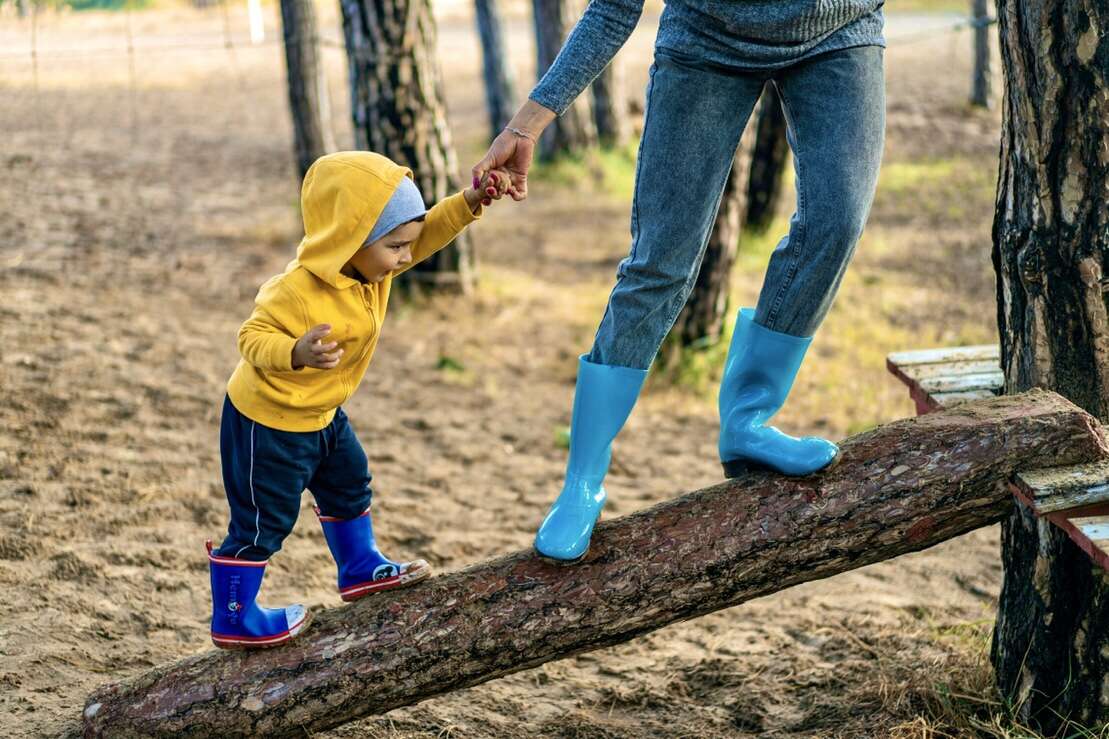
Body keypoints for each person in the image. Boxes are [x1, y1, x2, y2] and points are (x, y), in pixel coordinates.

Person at [472, 0, 886, 562]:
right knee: (660, 263)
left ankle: (748, 421)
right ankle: (582, 483)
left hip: (841, 30)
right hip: (706, 41)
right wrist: (528, 124)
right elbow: (614, 9)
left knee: (836, 224)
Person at [207, 151, 510, 648]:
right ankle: (234, 615)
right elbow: (250, 336)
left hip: (324, 414)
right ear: (350, 239)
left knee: (350, 482)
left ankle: (359, 567)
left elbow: (427, 233)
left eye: (405, 246)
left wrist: (471, 201)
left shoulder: (374, 268)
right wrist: (294, 352)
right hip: (269, 422)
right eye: (395, 246)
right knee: (264, 521)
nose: (406, 257)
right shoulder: (296, 291)